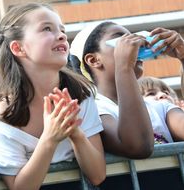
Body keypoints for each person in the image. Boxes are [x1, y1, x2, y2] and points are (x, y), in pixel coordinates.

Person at [0, 2, 106, 190]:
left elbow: (97, 175)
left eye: (62, 30)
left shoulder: (80, 93)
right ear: (18, 48)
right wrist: (50, 138)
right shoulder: (3, 116)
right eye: (47, 29)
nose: (62, 35)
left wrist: (75, 133)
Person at [71, 22, 184, 190]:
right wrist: (124, 67)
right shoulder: (92, 111)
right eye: (120, 39)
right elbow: (138, 146)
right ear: (94, 60)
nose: (135, 41)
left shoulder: (158, 106)